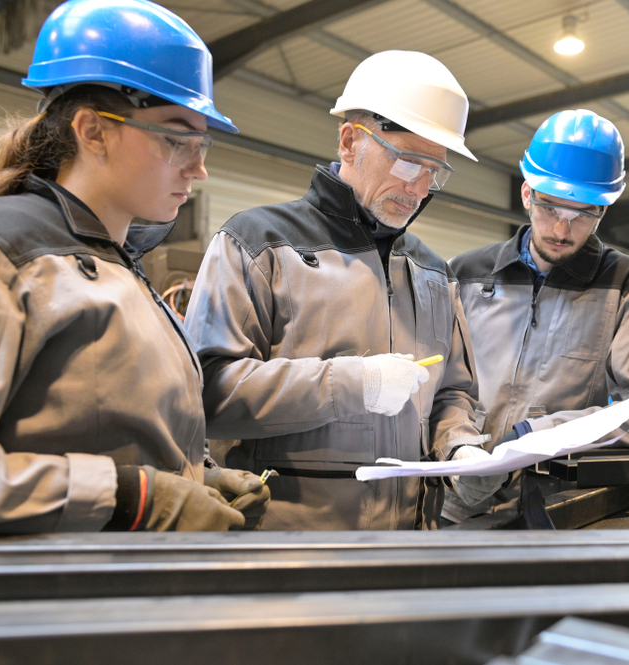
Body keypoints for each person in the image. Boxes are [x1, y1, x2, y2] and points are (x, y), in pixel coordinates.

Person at [0, 0, 270, 534]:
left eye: (200, 142)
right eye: (175, 137)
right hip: (38, 609)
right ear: (92, 131)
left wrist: (191, 479)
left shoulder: (118, 265)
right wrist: (132, 498)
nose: (199, 167)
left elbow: (88, 430)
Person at [184, 50, 505, 530]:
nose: (419, 188)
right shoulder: (257, 245)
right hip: (285, 551)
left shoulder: (434, 272)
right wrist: (349, 383)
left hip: (409, 546)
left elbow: (453, 392)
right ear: (351, 142)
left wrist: (458, 443)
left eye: (435, 171)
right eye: (407, 162)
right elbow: (207, 395)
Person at [441, 109, 629, 524]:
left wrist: (536, 437)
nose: (563, 230)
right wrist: (457, 446)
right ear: (528, 194)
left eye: (583, 214)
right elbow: (438, 389)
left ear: (603, 209)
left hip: (557, 510)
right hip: (456, 506)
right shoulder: (465, 274)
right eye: (550, 208)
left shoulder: (627, 285)